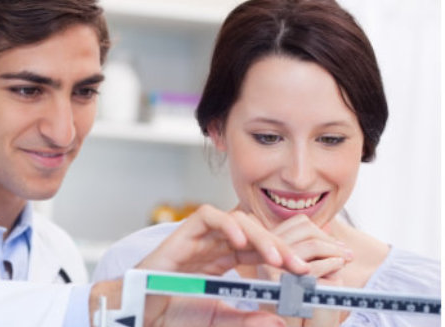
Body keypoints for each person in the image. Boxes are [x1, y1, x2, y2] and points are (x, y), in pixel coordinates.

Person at [0, 0, 314, 326]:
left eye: (84, 92)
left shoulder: (57, 255)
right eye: (28, 90)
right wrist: (102, 304)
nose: (64, 131)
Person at [92, 0, 441, 326]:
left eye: (331, 139)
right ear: (218, 129)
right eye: (268, 137)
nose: (300, 177)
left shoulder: (426, 294)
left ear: (366, 138)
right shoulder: (137, 271)